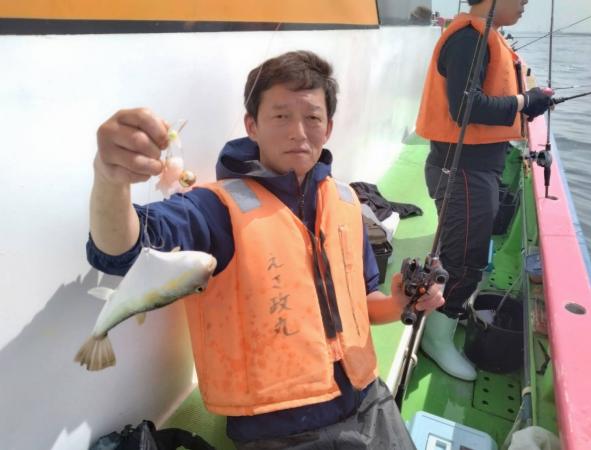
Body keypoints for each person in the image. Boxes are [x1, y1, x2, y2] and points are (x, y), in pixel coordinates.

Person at [88, 50, 444, 449]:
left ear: (328, 128)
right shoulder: (216, 208)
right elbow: (122, 251)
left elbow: (365, 303)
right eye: (280, 116)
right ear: (252, 126)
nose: (298, 132)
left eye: (312, 118)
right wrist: (109, 178)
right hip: (282, 432)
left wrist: (400, 303)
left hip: (370, 401)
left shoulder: (345, 202)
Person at [415, 0, 553, 381]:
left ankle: (448, 313)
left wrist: (527, 105)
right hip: (463, 171)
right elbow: (466, 107)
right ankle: (435, 338)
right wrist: (525, 101)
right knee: (464, 261)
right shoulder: (468, 39)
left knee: (468, 253)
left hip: (477, 169)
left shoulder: (483, 37)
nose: (526, 2)